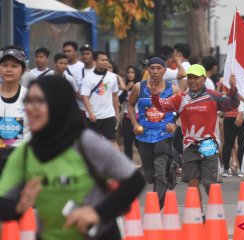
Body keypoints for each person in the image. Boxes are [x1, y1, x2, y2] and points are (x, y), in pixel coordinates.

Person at [0, 75, 145, 239]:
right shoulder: (26, 153)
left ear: (58, 105)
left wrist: (98, 213)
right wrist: (17, 208)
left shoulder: (86, 143)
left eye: (38, 101)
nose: (30, 108)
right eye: (28, 101)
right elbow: (3, 203)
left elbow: (135, 181)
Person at [149, 64, 239, 214]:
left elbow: (232, 104)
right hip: (189, 145)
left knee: (209, 184)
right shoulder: (181, 97)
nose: (192, 81)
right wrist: (154, 94)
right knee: (192, 183)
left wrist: (233, 88)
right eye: (189, 77)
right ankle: (199, 215)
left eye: (196, 77)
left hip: (209, 144)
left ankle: (215, 214)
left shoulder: (213, 96)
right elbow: (162, 106)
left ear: (204, 79)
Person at [128, 54, 178, 209]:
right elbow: (130, 106)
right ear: (147, 70)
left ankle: (156, 208)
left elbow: (182, 109)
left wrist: (175, 124)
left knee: (159, 173)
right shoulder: (139, 87)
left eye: (159, 68)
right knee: (149, 175)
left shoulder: (173, 89)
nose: (155, 71)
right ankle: (171, 169)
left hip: (164, 134)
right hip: (144, 135)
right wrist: (135, 123)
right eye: (152, 68)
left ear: (164, 71)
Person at [0, 46, 30, 174]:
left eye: (14, 66)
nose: (9, 70)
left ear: (23, 70)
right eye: (5, 65)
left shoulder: (31, 98)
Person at [81, 51, 119, 145]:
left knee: (112, 141)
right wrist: (90, 113)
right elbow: (84, 96)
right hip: (93, 116)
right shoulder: (88, 78)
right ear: (95, 61)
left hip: (109, 115)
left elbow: (115, 95)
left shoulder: (113, 77)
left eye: (106, 60)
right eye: (102, 60)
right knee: (93, 143)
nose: (105, 62)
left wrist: (116, 113)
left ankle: (113, 159)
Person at [119, 66, 142, 159]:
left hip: (139, 118)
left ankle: (145, 164)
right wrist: (126, 89)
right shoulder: (125, 86)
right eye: (128, 72)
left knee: (139, 143)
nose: (130, 74)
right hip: (127, 118)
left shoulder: (141, 86)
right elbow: (119, 101)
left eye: (132, 72)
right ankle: (128, 164)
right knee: (127, 143)